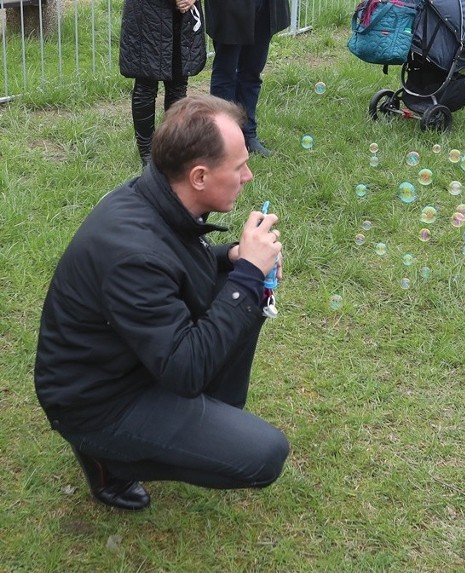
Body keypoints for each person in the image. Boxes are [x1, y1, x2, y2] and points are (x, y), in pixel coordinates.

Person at [34, 95, 290, 510]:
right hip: (96, 401)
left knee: (242, 286)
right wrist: (246, 277)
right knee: (265, 455)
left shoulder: (157, 196)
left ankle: (203, 417)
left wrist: (233, 258)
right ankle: (108, 458)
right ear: (200, 177)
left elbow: (176, 260)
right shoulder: (132, 253)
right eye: (239, 166)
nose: (249, 175)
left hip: (129, 361)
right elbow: (185, 370)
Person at [119, 0, 207, 167]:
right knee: (146, 83)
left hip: (182, 13)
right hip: (147, 12)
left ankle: (172, 145)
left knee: (178, 83)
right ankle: (147, 153)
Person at [205, 0, 291, 157]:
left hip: (266, 5)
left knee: (252, 72)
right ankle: (223, 138)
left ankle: (248, 135)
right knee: (226, 74)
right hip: (230, 7)